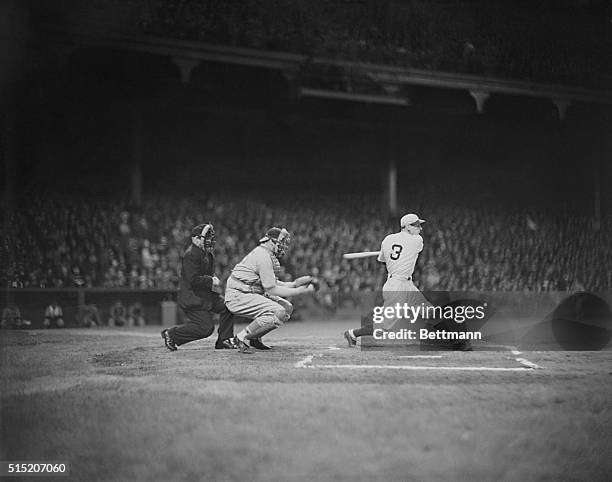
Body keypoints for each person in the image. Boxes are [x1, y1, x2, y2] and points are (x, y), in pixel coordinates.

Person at [343, 213, 471, 350]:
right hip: (397, 285)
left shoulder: (388, 239)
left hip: (405, 284)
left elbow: (381, 259)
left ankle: (457, 341)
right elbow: (405, 252)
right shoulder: (417, 240)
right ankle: (353, 334)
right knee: (386, 326)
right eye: (417, 225)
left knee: (429, 311)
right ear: (408, 227)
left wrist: (389, 251)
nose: (420, 228)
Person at [225, 227, 316, 353]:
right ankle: (241, 338)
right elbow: (272, 289)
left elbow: (272, 283)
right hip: (238, 295)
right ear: (270, 241)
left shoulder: (265, 254)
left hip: (248, 291)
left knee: (287, 307)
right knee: (278, 311)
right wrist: (300, 291)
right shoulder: (263, 257)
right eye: (281, 242)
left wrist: (294, 284)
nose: (283, 246)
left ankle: (255, 338)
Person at [161, 223, 236, 351]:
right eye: (206, 237)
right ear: (195, 239)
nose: (210, 241)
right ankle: (172, 334)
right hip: (193, 298)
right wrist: (210, 280)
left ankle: (224, 339)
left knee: (229, 305)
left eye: (210, 238)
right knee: (206, 329)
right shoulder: (191, 254)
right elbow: (193, 280)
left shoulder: (206, 254)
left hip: (204, 296)